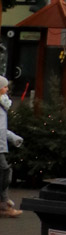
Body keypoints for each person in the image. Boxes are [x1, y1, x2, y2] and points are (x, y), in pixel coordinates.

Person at [0, 78, 22, 218]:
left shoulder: (3, 105)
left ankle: (4, 204)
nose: (7, 89)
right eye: (5, 87)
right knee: (5, 171)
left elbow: (2, 129)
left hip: (1, 145)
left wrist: (13, 138)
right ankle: (3, 203)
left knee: (4, 172)